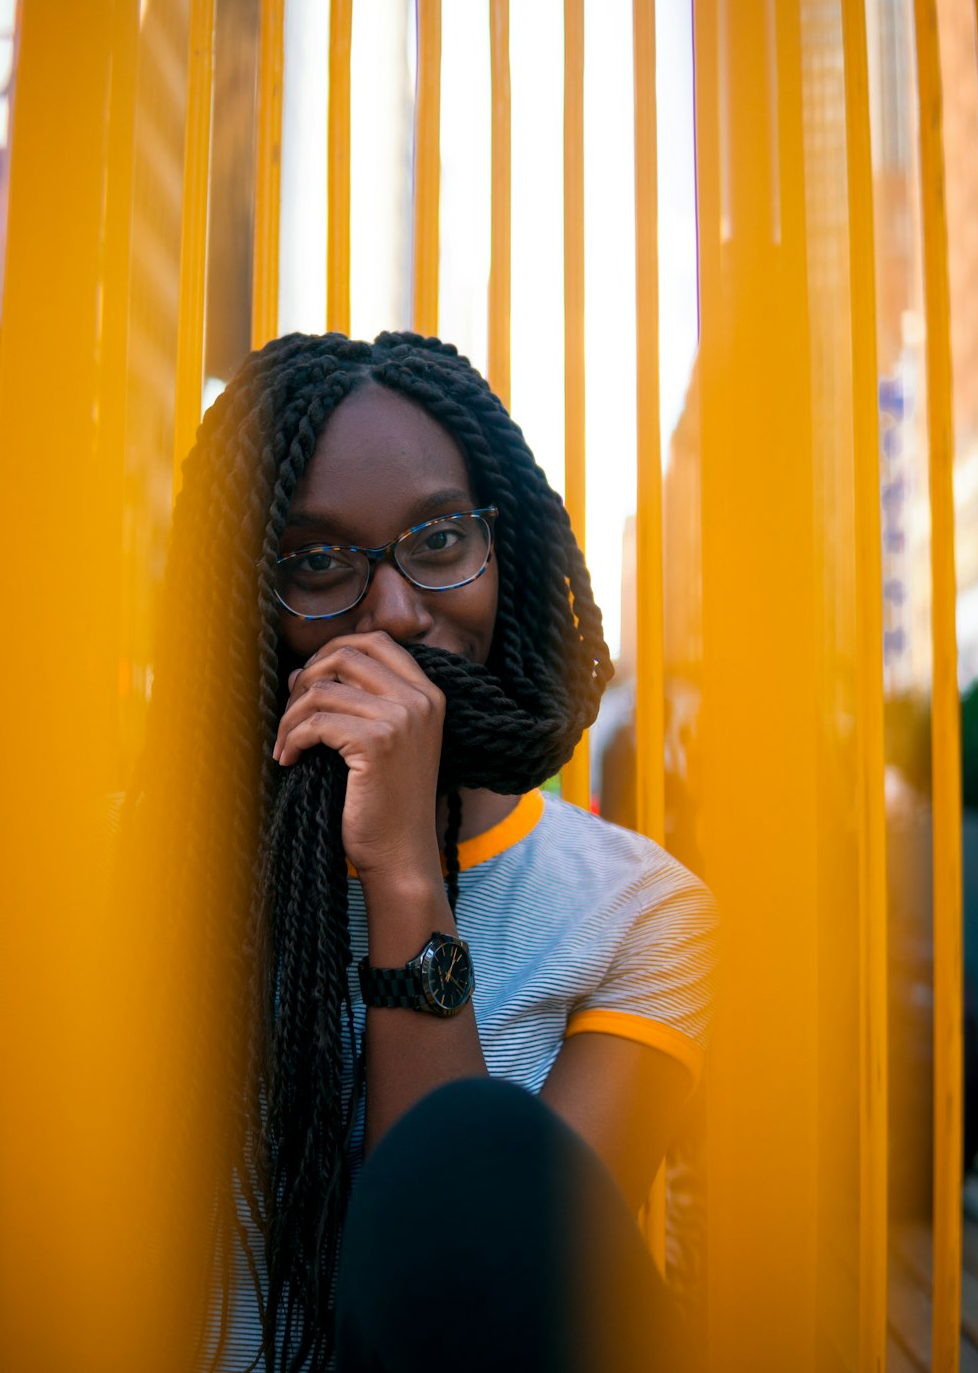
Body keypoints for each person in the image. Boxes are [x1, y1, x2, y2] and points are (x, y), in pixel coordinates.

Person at [124, 331, 718, 1373]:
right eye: (315, 562)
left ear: (506, 550)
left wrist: (402, 875)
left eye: (438, 542)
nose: (394, 614)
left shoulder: (644, 917)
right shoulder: (124, 874)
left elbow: (490, 1317)